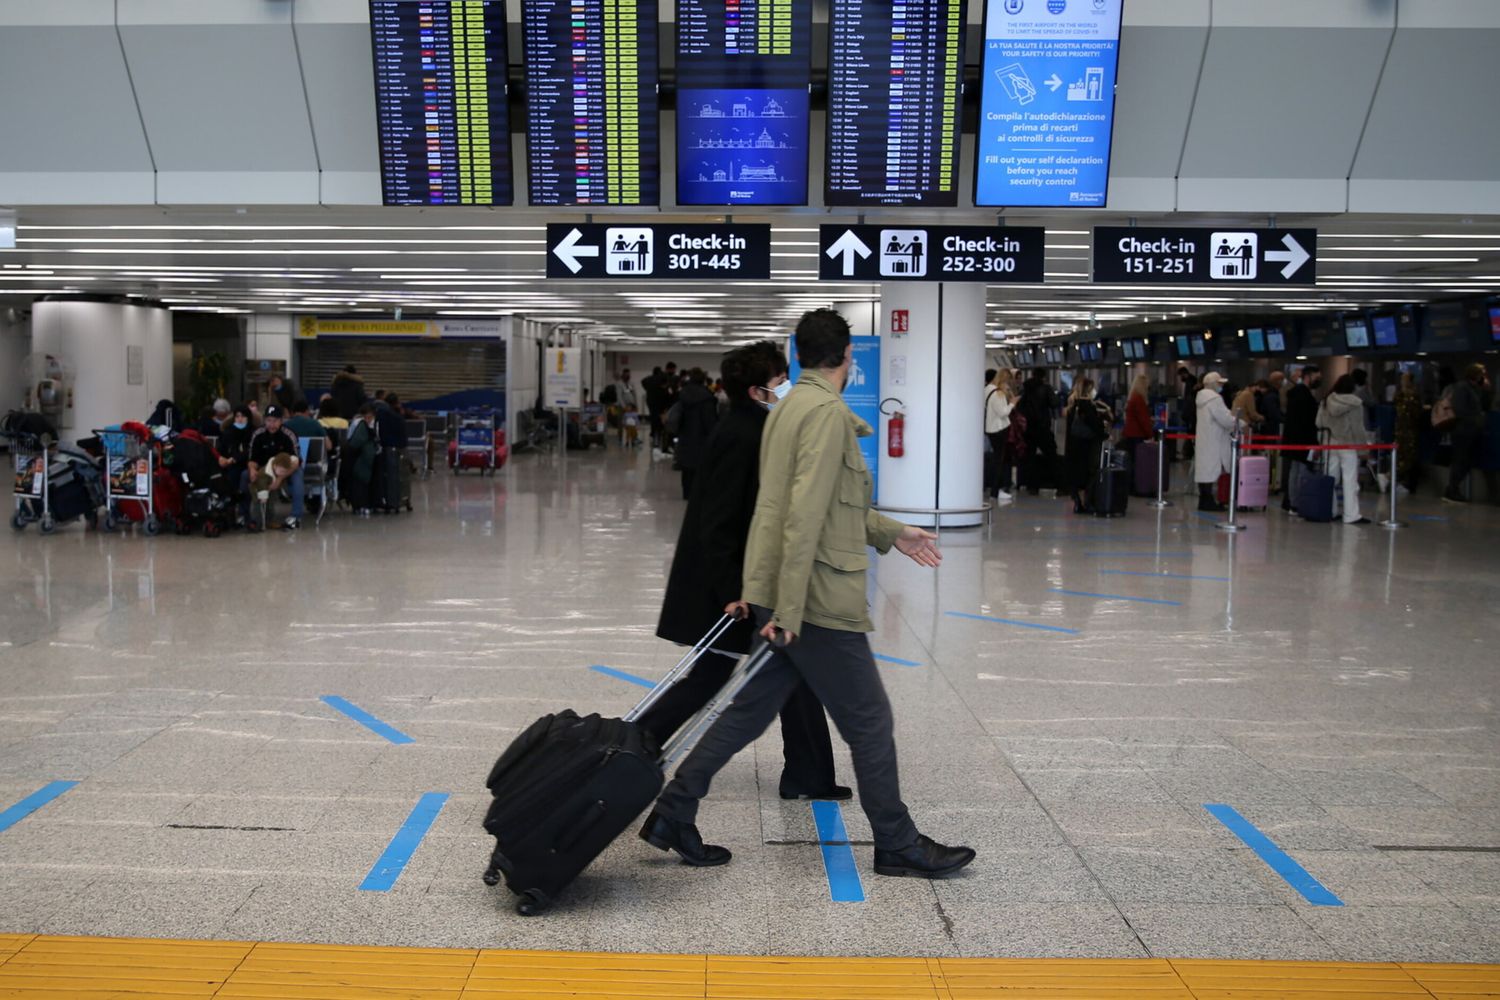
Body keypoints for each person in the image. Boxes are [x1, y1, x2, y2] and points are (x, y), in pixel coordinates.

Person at [637, 309, 975, 880]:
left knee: (747, 713)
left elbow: (809, 508)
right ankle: (897, 842)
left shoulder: (788, 409)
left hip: (785, 592)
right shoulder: (825, 415)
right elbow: (803, 516)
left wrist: (895, 532)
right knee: (869, 720)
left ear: (798, 355)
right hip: (815, 601)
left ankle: (672, 811)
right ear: (848, 358)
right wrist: (790, 610)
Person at [642, 342, 847, 800]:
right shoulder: (745, 435)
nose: (787, 389)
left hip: (743, 580)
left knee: (782, 672)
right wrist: (733, 592)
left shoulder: (752, 427)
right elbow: (719, 522)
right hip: (734, 585)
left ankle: (807, 774)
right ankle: (636, 745)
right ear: (757, 391)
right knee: (723, 677)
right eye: (780, 381)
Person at [1316, 374, 1371, 524]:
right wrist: (1363, 450)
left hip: (1330, 444)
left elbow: (1319, 423)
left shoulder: (1326, 401)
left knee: (1331, 479)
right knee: (1350, 480)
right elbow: (1357, 429)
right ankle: (1350, 515)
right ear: (1352, 388)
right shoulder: (1355, 404)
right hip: (1348, 445)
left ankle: (1331, 511)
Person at [246, 405, 303, 530]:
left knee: (298, 476)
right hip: (265, 468)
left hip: (287, 469)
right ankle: (247, 516)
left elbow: (296, 461)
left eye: (275, 421)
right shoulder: (258, 434)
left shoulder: (289, 435)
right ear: (264, 420)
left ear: (281, 421)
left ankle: (296, 516)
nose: (272, 424)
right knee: (244, 476)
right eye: (269, 420)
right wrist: (252, 470)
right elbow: (252, 459)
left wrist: (279, 479)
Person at [1442, 363, 1491, 504]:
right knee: (1460, 460)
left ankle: (1452, 488)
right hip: (1462, 431)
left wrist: (1486, 389)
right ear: (1475, 374)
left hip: (1471, 431)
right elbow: (1460, 409)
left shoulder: (1475, 388)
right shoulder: (1462, 388)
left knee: (1467, 460)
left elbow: (1483, 404)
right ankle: (1452, 489)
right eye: (1482, 373)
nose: (1484, 376)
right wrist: (1476, 417)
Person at [670, 368, 720, 499]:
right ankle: (697, 493)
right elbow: (710, 421)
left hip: (685, 435)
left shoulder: (683, 394)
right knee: (700, 466)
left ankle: (686, 493)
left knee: (686, 468)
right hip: (701, 437)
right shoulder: (707, 397)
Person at [1064, 377, 1110, 515]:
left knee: (1076, 475)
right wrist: (1104, 431)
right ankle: (1088, 502)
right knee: (1091, 473)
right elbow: (1096, 426)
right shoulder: (1088, 406)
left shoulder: (1072, 406)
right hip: (1088, 446)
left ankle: (1077, 501)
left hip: (1074, 446)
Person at [1282, 365, 1322, 513]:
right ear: (1308, 376)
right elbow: (1307, 420)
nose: (1318, 380)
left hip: (1293, 439)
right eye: (1316, 377)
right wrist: (1314, 441)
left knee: (1295, 471)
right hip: (1302, 440)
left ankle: (1292, 502)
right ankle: (1296, 503)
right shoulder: (1304, 396)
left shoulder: (1295, 394)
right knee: (1300, 472)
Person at [1194, 373, 1237, 512]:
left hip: (1204, 439)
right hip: (1215, 439)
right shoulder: (1215, 399)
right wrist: (1238, 422)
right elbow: (1225, 419)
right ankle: (1208, 502)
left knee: (1205, 470)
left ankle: (1204, 500)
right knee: (1212, 469)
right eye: (1219, 383)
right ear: (1213, 384)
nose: (1221, 386)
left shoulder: (1201, 398)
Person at [1017, 369, 1058, 495]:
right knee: (1052, 455)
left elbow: (1019, 405)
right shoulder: (1046, 388)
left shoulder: (1025, 388)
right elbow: (1054, 403)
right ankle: (1060, 484)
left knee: (1030, 457)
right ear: (1044, 377)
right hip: (1043, 427)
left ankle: (1031, 485)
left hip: (1028, 428)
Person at [216, 404, 255, 524]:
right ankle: (228, 512)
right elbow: (220, 449)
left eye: (243, 416)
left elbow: (251, 451)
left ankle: (243, 513)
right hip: (229, 465)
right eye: (237, 416)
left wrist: (234, 459)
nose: (240, 419)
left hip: (247, 465)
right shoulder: (228, 432)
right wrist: (221, 458)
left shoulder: (253, 433)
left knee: (240, 477)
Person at [983, 369, 1016, 502]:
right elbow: (1003, 413)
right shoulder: (998, 393)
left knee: (997, 459)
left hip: (990, 429)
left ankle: (995, 489)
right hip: (999, 429)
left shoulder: (987, 390)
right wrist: (1013, 404)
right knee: (999, 460)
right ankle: (996, 491)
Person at [372, 393, 408, 513]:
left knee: (387, 474)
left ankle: (386, 500)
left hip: (385, 448)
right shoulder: (396, 416)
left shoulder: (381, 414)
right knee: (397, 474)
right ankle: (395, 500)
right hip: (397, 448)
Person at [341, 404, 379, 517]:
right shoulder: (361, 423)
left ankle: (358, 504)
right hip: (362, 457)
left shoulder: (357, 423)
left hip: (357, 458)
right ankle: (364, 504)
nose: (368, 419)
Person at [1392, 371, 1423, 496]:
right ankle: (1400, 481)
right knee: (1402, 456)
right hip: (1403, 429)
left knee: (1409, 457)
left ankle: (1407, 483)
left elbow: (1416, 413)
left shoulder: (1413, 395)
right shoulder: (1400, 395)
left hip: (1409, 430)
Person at [1122, 373, 1153, 470]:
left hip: (1130, 435)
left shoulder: (1132, 397)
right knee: (1137, 464)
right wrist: (1150, 435)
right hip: (1137, 436)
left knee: (1131, 462)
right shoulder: (1139, 399)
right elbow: (1143, 420)